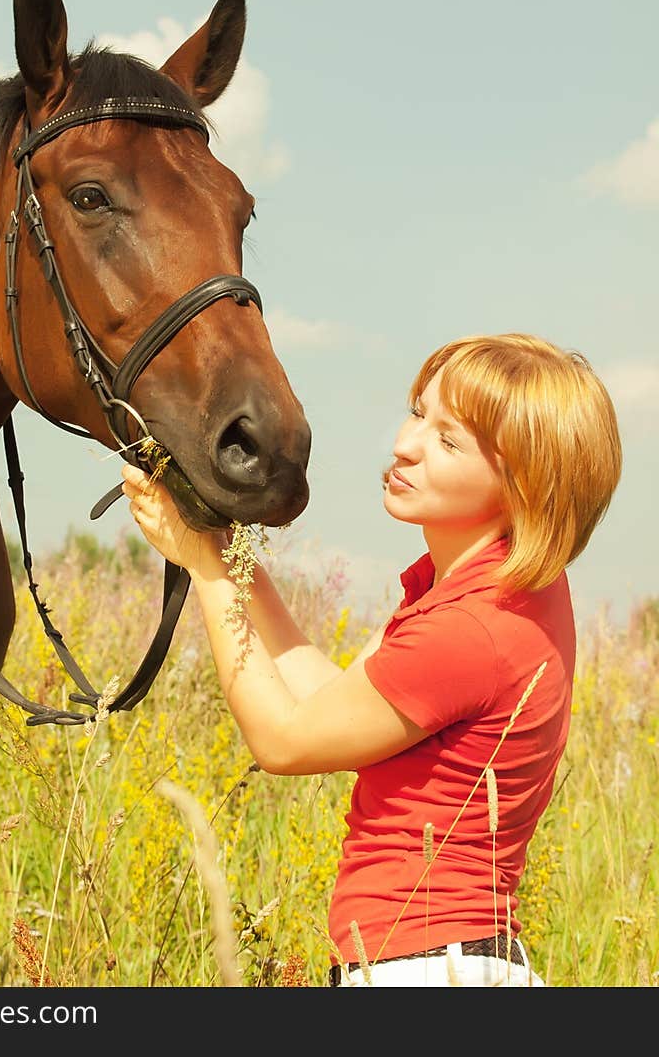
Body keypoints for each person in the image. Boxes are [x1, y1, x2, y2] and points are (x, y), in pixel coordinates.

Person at [121, 333, 621, 987]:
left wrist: (207, 570)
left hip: (420, 970)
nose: (405, 444)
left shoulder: (471, 628)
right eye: (419, 411)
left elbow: (283, 739)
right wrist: (222, 535)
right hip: (449, 965)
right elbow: (329, 701)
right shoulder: (502, 589)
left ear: (523, 485)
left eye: (448, 441)